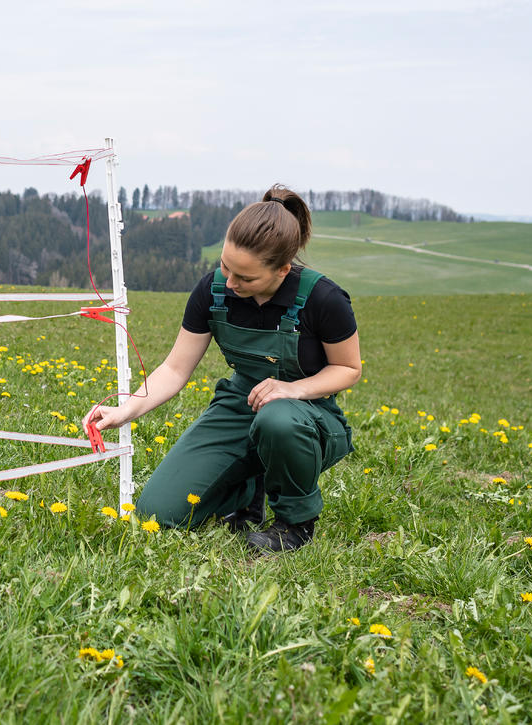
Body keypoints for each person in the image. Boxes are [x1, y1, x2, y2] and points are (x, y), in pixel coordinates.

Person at [85, 186, 361, 553]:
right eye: (225, 266)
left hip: (308, 416)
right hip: (240, 404)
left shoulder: (324, 298)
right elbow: (174, 368)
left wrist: (291, 389)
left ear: (282, 269)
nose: (230, 283)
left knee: (278, 420)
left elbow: (348, 368)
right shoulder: (212, 291)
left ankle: (295, 524)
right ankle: (247, 494)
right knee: (157, 512)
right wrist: (126, 410)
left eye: (245, 279)